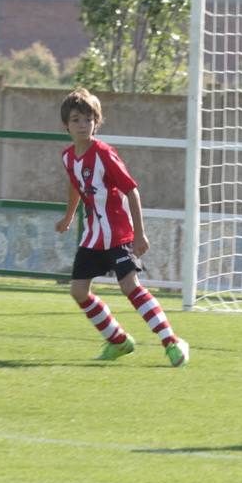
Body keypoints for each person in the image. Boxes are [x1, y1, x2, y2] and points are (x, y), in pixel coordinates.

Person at [55, 87, 188, 368]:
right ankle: (118, 341)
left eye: (88, 119)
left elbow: (131, 190)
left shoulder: (104, 154)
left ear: (96, 122)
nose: (83, 125)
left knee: (130, 286)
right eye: (77, 119)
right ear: (66, 124)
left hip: (117, 234)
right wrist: (69, 216)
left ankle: (172, 343)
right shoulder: (68, 157)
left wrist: (140, 233)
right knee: (78, 291)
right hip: (93, 236)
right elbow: (75, 187)